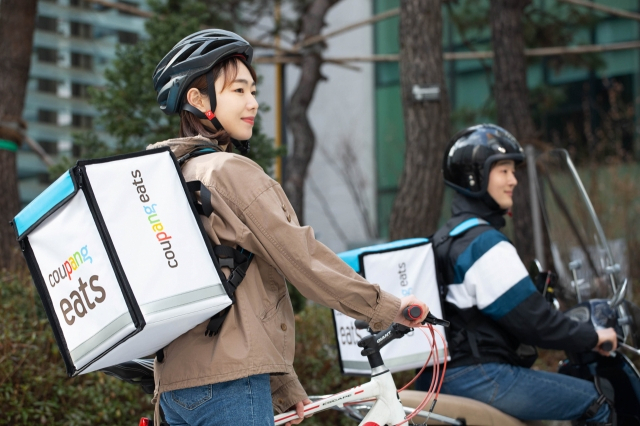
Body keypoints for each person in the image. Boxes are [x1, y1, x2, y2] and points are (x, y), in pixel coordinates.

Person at [148, 29, 430, 426]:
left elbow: (231, 291)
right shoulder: (229, 171)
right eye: (238, 91)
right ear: (198, 99)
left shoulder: (170, 176)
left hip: (175, 392)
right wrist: (387, 307)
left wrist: (283, 387)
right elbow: (304, 259)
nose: (253, 103)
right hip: (231, 387)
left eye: (253, 90)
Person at [414, 124, 618, 425]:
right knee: (597, 401)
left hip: (439, 376)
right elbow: (535, 322)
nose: (514, 180)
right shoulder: (483, 243)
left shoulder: (444, 238)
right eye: (504, 171)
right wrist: (593, 336)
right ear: (475, 178)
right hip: (479, 376)